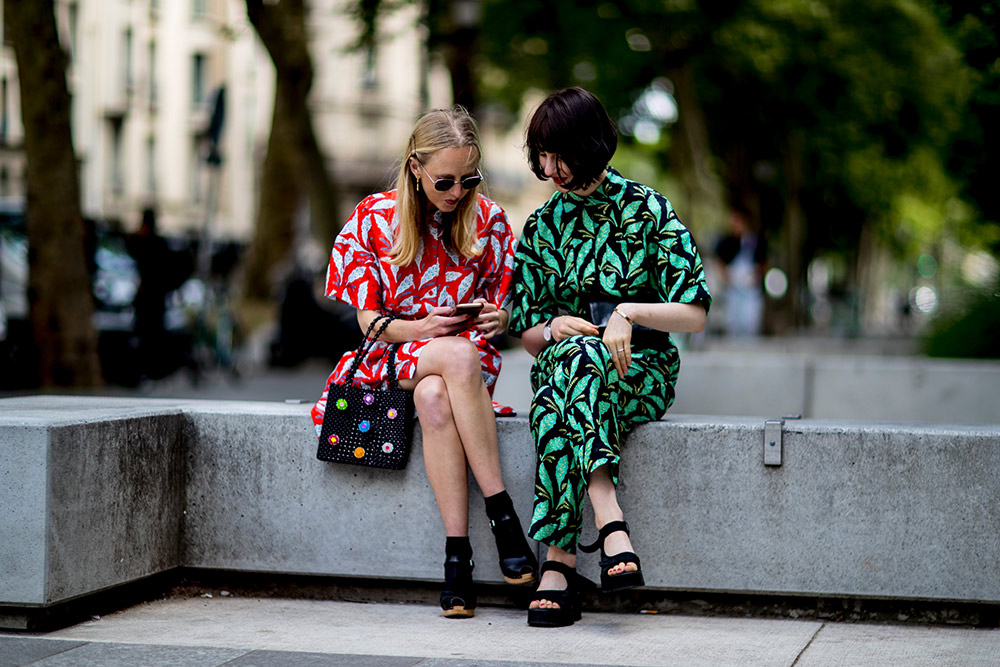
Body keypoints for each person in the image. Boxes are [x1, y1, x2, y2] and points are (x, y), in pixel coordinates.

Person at [311, 106, 537, 619]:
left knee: (437, 396)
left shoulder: (490, 220)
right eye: (445, 181)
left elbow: (508, 307)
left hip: (457, 369)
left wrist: (496, 317)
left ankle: (457, 558)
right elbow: (366, 321)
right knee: (454, 356)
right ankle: (502, 515)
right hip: (391, 357)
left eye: (469, 179)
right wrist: (420, 329)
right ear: (415, 168)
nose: (458, 192)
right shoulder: (373, 217)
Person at [508, 88, 712, 627]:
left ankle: (559, 563)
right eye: (542, 156)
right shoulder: (541, 226)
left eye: (559, 154)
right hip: (569, 369)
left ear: (590, 144)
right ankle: (610, 526)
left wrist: (631, 311)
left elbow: (694, 313)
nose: (549, 168)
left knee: (558, 399)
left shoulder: (647, 209)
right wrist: (550, 326)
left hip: (640, 372)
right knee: (571, 361)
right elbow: (526, 332)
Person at [714, 208, 767, 336]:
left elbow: (764, 263)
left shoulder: (755, 241)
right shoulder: (726, 242)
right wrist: (725, 278)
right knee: (733, 323)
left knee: (750, 322)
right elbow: (719, 262)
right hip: (733, 290)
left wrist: (756, 277)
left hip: (751, 291)